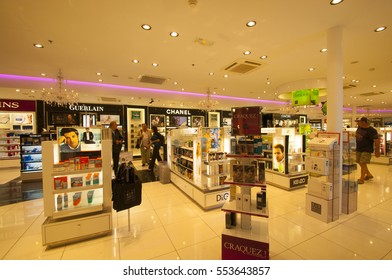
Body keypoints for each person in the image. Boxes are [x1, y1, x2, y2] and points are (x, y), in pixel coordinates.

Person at [355, 117, 380, 184]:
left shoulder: (372, 131)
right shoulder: (359, 128)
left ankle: (361, 179)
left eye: (359, 122)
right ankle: (368, 174)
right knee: (359, 162)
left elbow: (377, 141)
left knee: (363, 163)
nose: (357, 123)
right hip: (359, 148)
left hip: (367, 149)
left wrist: (377, 151)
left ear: (363, 122)